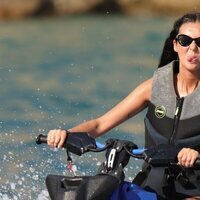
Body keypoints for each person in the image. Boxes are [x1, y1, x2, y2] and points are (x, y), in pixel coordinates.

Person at [47, 12, 200, 199]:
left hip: (193, 191)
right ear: (175, 45)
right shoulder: (153, 87)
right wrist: (66, 134)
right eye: (185, 40)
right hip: (149, 186)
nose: (193, 47)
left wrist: (194, 154)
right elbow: (99, 125)